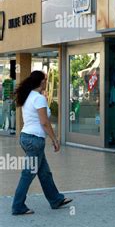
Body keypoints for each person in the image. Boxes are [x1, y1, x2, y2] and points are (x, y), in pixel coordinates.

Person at [12, 71, 73, 215]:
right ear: (41, 82)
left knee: (44, 172)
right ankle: (17, 206)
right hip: (35, 140)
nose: (46, 82)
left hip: (26, 137)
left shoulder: (28, 96)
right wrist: (55, 139)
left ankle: (55, 199)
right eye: (45, 80)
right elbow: (44, 122)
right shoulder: (39, 99)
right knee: (28, 173)